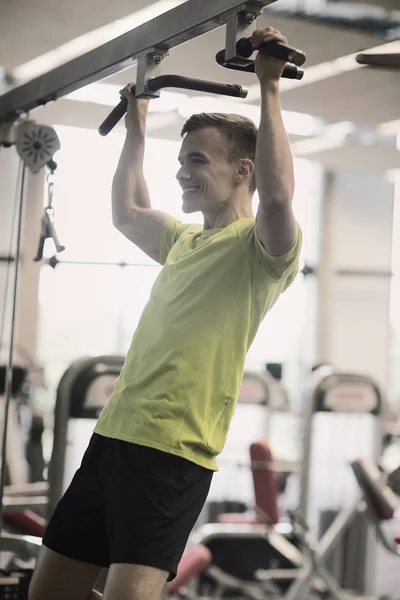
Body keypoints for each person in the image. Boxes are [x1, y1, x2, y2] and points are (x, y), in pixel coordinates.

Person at [29, 25, 302, 600]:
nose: (181, 172)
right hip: (113, 437)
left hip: (172, 453)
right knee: (48, 592)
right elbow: (128, 211)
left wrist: (269, 88)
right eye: (180, 161)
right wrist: (137, 126)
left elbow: (279, 198)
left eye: (196, 161)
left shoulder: (261, 252)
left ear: (242, 171)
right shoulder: (183, 240)